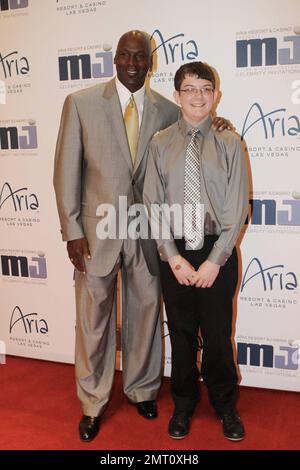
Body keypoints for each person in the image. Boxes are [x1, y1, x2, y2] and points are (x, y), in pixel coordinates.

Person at [54, 31, 230, 442]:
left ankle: (142, 389)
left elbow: (193, 134)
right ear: (114, 59)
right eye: (125, 56)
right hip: (97, 233)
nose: (132, 63)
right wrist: (72, 230)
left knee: (146, 316)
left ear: (150, 63)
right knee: (93, 321)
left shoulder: (168, 110)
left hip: (151, 231)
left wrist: (219, 124)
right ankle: (93, 402)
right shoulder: (80, 104)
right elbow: (65, 171)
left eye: (140, 57)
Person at [143, 61, 249, 441]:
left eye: (206, 88)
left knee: (219, 335)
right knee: (182, 333)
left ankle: (225, 405)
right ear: (177, 96)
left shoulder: (230, 142)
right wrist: (172, 257)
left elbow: (238, 208)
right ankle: (183, 404)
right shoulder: (160, 143)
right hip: (174, 251)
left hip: (215, 251)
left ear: (216, 95)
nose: (198, 96)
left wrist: (214, 262)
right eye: (190, 89)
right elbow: (153, 205)